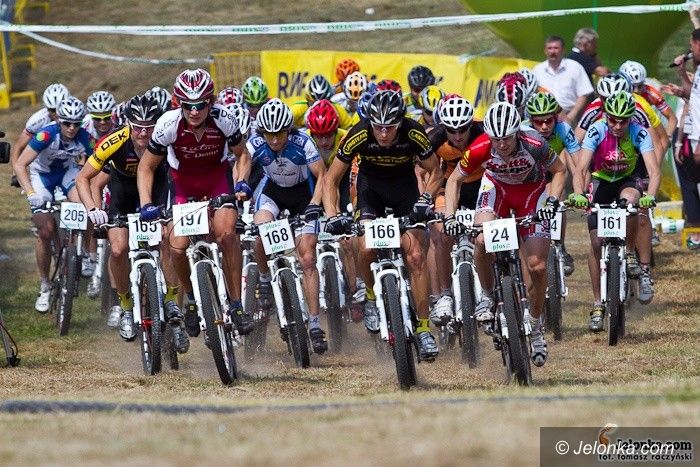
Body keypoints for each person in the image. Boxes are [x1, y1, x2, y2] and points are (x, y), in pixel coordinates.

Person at [322, 90, 444, 361]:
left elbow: (436, 171)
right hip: (371, 190)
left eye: (390, 127)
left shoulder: (413, 132)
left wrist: (426, 199)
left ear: (400, 123)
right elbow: (331, 179)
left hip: (404, 190)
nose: (384, 133)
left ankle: (424, 329)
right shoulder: (359, 133)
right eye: (378, 127)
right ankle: (369, 296)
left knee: (415, 256)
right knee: (365, 247)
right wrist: (332, 215)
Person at [443, 102, 567, 367]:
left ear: (517, 133)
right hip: (496, 190)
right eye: (496, 139)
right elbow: (453, 180)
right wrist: (450, 217)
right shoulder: (480, 147)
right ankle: (488, 295)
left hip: (531, 193)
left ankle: (535, 327)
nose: (501, 145)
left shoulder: (535, 143)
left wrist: (552, 202)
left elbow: (559, 171)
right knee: (481, 240)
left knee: (537, 266)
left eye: (507, 138)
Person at [136, 68, 253, 338]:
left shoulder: (224, 119)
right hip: (183, 184)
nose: (194, 111)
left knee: (227, 236)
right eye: (187, 105)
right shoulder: (168, 124)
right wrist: (145, 203)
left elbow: (243, 155)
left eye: (200, 104)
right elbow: (146, 167)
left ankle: (236, 305)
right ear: (179, 103)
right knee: (177, 247)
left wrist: (242, 182)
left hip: (217, 180)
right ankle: (190, 297)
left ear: (210, 102)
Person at [75, 94, 189, 352]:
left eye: (149, 127)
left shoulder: (165, 138)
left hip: (158, 190)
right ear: (128, 124)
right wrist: (93, 209)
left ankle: (172, 301)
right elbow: (83, 178)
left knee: (168, 240)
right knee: (117, 249)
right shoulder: (114, 141)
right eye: (138, 127)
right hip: (123, 195)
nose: (143, 133)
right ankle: (126, 307)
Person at [234, 98, 329, 354]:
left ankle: (315, 323)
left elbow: (322, 176)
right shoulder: (256, 143)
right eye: (269, 135)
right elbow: (242, 162)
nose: (275, 140)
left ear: (289, 130)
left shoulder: (303, 142)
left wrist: (315, 204)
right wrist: (241, 184)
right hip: (273, 193)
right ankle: (265, 278)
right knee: (260, 231)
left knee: (307, 258)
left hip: (303, 195)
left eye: (280, 134)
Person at [570, 91, 659, 330]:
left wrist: (650, 196)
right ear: (606, 116)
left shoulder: (639, 132)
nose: (618, 126)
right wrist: (579, 194)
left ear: (631, 118)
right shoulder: (596, 130)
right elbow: (581, 168)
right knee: (596, 243)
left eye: (623, 121)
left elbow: (654, 169)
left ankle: (629, 253)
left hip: (626, 180)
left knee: (631, 202)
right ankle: (597, 304)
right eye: (613, 120)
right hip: (601, 182)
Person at [13, 97, 95, 313]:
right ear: (59, 120)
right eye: (67, 123)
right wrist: (31, 193)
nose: (72, 128)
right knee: (45, 231)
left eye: (76, 123)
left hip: (68, 175)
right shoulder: (46, 134)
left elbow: (97, 164)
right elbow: (20, 164)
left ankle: (86, 251)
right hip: (42, 177)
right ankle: (45, 284)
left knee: (87, 206)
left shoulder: (85, 137)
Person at [426, 95, 484, 325]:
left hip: (481, 187)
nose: (458, 136)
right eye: (452, 130)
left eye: (463, 129)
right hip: (450, 188)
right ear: (444, 127)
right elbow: (420, 171)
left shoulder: (483, 133)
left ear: (471, 124)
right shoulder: (435, 139)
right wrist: (423, 201)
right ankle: (444, 295)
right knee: (442, 233)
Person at [525, 91, 580, 275]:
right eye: (538, 121)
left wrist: (580, 191)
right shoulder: (523, 131)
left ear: (556, 118)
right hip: (525, 177)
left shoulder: (563, 129)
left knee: (557, 197)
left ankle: (559, 244)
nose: (544, 126)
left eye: (548, 120)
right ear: (530, 120)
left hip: (549, 174)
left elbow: (579, 165)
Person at [10, 83, 70, 187]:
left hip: (67, 164)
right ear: (46, 108)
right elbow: (19, 147)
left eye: (60, 108)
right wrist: (15, 174)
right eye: (52, 110)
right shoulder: (37, 120)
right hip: (42, 166)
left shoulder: (76, 116)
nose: (57, 114)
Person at [533, 35, 594, 125]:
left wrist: (571, 117)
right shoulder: (537, 70)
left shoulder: (575, 67)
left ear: (563, 50)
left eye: (556, 48)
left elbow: (584, 94)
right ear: (545, 51)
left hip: (571, 115)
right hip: (545, 118)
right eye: (550, 48)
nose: (553, 51)